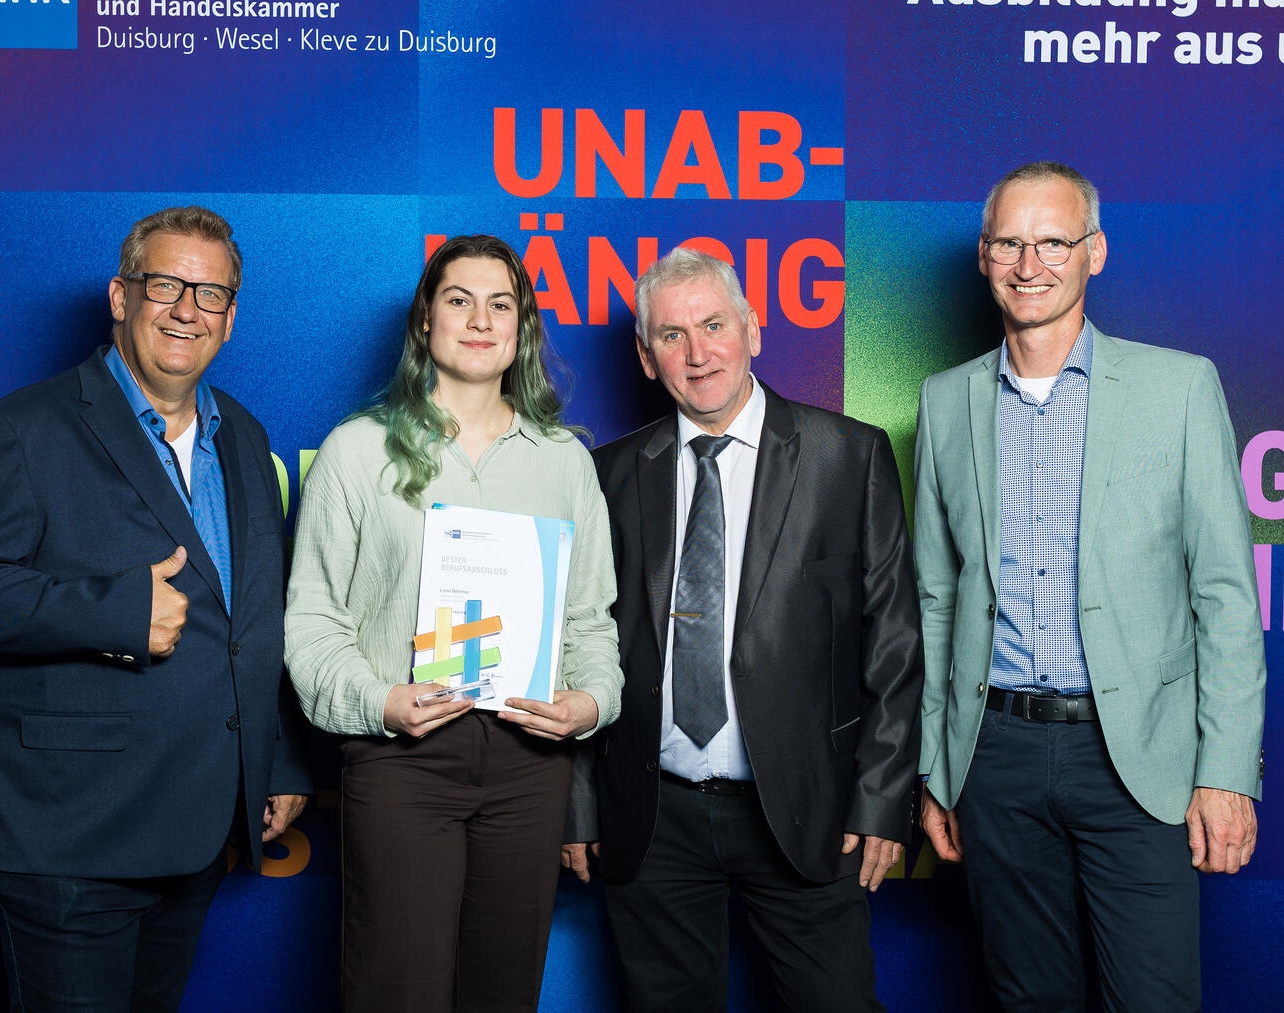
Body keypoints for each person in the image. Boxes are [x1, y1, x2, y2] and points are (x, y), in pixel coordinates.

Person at [0, 205, 312, 1011]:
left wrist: (276, 757)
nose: (187, 309)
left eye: (210, 293)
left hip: (194, 831)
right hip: (65, 837)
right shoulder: (23, 428)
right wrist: (108, 612)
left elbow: (252, 619)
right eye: (166, 284)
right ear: (120, 295)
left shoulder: (241, 433)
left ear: (231, 316)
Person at [914, 161, 1267, 1011]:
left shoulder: (1179, 387)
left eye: (1053, 241)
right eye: (1008, 241)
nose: (1028, 263)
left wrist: (1227, 770)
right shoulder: (945, 398)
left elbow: (1224, 594)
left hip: (1137, 757)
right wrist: (935, 766)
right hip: (992, 756)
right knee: (1025, 997)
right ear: (983, 255)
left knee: (1153, 998)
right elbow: (935, 597)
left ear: (1094, 252)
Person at [563, 246, 924, 1012]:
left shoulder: (847, 455)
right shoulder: (608, 473)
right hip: (653, 816)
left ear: (753, 330)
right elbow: (580, 642)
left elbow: (894, 643)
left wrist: (883, 798)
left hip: (806, 809)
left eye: (715, 324)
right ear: (645, 354)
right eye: (671, 335)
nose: (698, 353)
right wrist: (581, 804)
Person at [284, 234, 622, 1013]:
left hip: (531, 766)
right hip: (404, 761)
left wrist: (591, 701)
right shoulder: (355, 451)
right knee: (396, 991)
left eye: (500, 303)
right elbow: (311, 621)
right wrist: (379, 703)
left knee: (505, 992)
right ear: (424, 323)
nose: (480, 319)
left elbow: (590, 620)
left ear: (522, 328)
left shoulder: (563, 460)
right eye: (458, 300)